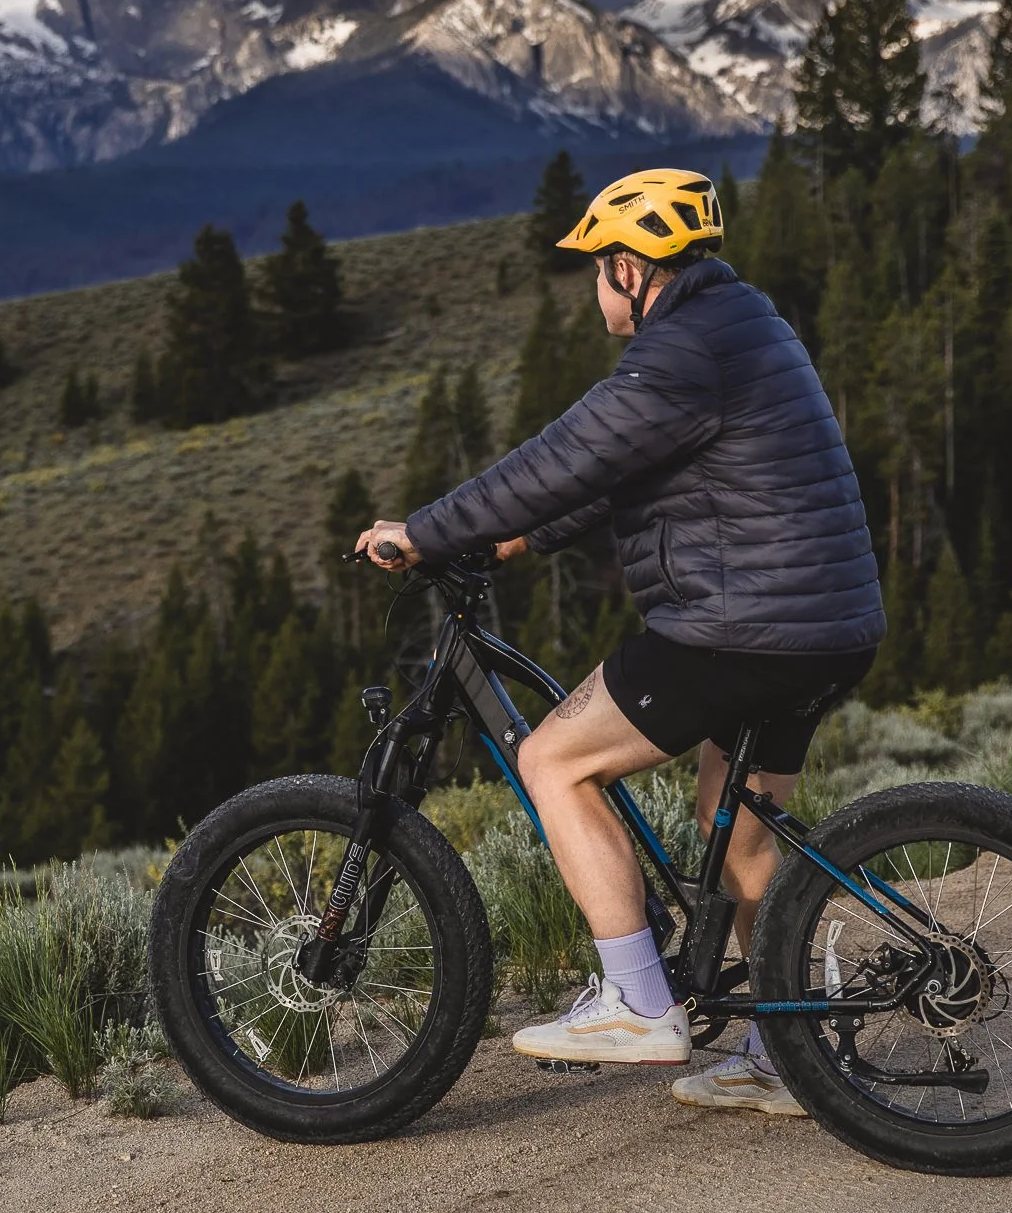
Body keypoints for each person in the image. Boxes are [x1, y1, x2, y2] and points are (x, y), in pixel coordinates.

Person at [353, 167, 883, 1117]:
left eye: (597, 270)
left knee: (556, 759)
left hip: (741, 630)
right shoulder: (740, 322)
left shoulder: (678, 351)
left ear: (631, 267)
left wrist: (426, 531)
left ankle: (637, 999)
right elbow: (629, 469)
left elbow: (563, 457)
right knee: (747, 844)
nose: (595, 289)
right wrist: (520, 536)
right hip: (821, 627)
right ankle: (785, 1052)